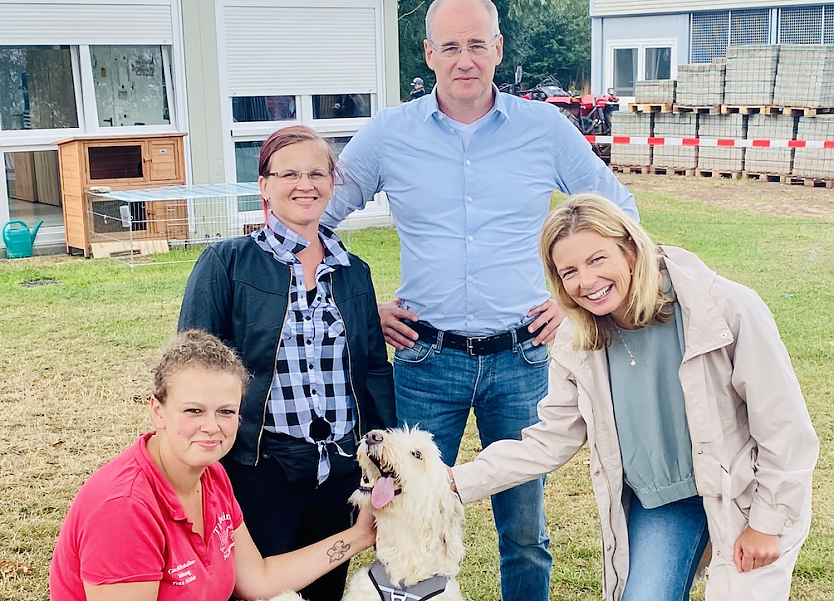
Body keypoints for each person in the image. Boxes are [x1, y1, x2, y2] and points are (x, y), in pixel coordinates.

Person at [320, 1, 637, 599]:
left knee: (523, 531)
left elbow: (620, 212)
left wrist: (572, 302)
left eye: (476, 45)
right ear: (428, 54)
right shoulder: (389, 133)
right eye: (450, 47)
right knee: (400, 513)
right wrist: (362, 309)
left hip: (520, 361)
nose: (464, 60)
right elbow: (317, 219)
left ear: (497, 48)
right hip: (424, 358)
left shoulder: (544, 128)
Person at [449, 193, 819, 601]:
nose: (586, 282)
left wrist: (767, 522)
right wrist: (454, 481)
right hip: (664, 499)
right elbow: (551, 439)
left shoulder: (726, 307)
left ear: (629, 247)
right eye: (569, 271)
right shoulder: (578, 338)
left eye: (597, 259)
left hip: (745, 494)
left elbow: (786, 430)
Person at [178, 126, 396, 601]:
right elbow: (192, 368)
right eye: (290, 173)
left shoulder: (354, 271)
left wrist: (386, 461)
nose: (305, 184)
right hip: (259, 467)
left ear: (333, 182)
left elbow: (374, 369)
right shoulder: (226, 263)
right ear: (264, 185)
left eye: (317, 172)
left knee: (324, 589)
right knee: (259, 592)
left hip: (337, 468)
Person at [49, 330, 377, 601]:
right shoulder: (124, 508)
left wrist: (360, 535)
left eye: (225, 412)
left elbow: (259, 580)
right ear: (157, 411)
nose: (212, 426)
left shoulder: (210, 475)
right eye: (193, 411)